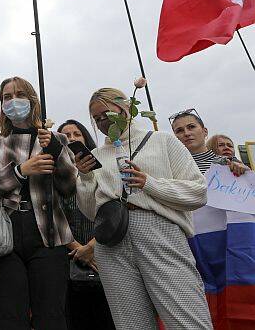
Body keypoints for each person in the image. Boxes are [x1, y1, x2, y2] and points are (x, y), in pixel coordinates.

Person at [75, 88, 211, 330]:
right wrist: (84, 178)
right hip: (111, 240)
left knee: (187, 317)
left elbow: (197, 191)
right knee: (130, 323)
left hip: (159, 230)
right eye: (96, 119)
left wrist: (149, 183)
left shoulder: (162, 140)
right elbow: (89, 211)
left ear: (125, 108)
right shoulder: (96, 155)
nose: (103, 121)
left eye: (106, 114)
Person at [0, 76, 76, 330]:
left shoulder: (54, 139)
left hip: (48, 232)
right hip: (5, 233)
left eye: (19, 95)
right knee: (11, 316)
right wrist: (21, 171)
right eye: (7, 97)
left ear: (32, 100)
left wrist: (56, 150)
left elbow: (69, 188)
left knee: (51, 315)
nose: (13, 101)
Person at [56, 120, 114, 330]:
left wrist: (93, 246)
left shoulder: (104, 170)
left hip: (104, 255)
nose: (71, 139)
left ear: (86, 139)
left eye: (76, 134)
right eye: (65, 136)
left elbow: (114, 210)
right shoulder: (55, 176)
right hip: (69, 261)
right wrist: (79, 249)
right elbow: (53, 216)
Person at [170, 109, 247, 176]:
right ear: (175, 137)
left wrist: (246, 174)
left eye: (191, 127)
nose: (186, 133)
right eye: (179, 130)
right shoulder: (171, 169)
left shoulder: (229, 164)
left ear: (205, 131)